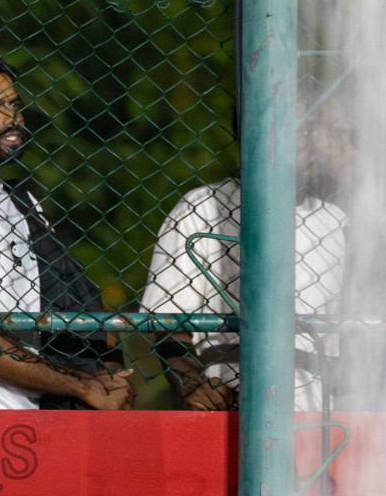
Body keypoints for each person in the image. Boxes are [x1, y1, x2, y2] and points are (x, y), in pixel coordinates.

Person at [0, 54, 134, 411]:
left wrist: (107, 372)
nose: (13, 119)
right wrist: (83, 384)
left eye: (14, 104)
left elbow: (72, 293)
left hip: (35, 411)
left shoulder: (21, 200)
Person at [140, 93, 349, 413]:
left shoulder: (335, 221)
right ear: (253, 132)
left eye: (316, 130)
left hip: (316, 415)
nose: (311, 141)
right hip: (225, 408)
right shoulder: (204, 206)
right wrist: (191, 382)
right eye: (296, 128)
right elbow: (166, 320)